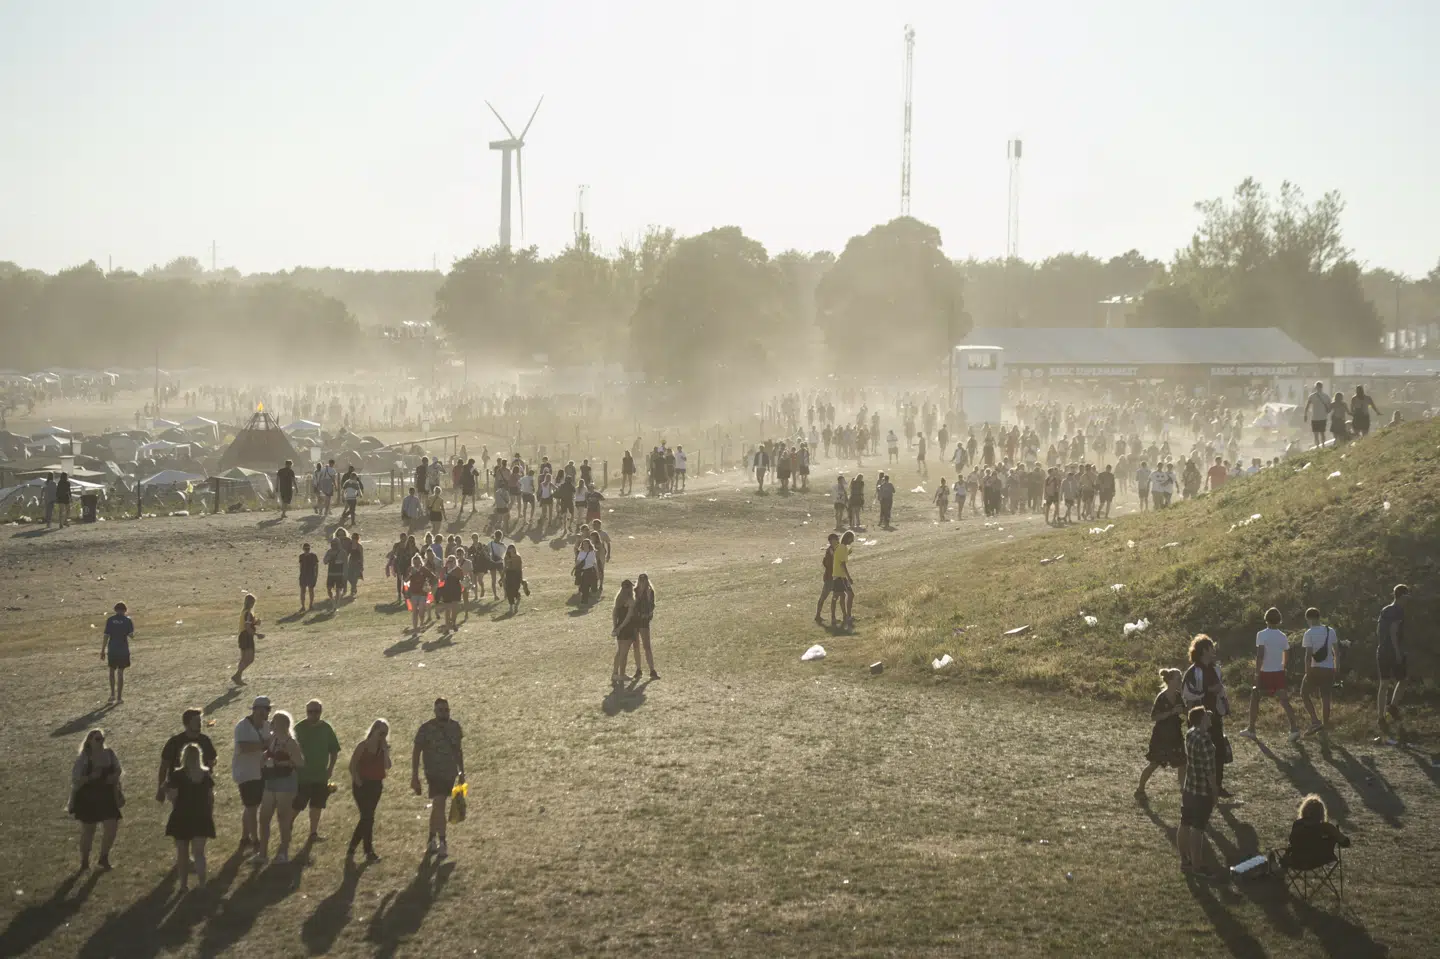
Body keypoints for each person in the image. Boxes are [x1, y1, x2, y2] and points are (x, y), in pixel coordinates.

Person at [411, 699, 465, 859]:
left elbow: (458, 751)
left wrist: (462, 773)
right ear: (435, 711)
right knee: (440, 803)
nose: (444, 713)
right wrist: (415, 776)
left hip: (450, 773)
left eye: (446, 710)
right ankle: (442, 841)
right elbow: (416, 751)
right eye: (440, 710)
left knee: (437, 806)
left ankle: (431, 839)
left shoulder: (455, 727)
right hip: (433, 773)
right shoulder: (426, 729)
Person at [1240, 607, 1302, 742]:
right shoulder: (1283, 636)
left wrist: (1257, 673)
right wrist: (1282, 666)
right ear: (1279, 620)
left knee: (1255, 696)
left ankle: (1251, 729)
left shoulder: (1261, 634)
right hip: (1278, 671)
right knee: (1284, 700)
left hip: (1265, 672)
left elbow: (1260, 655)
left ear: (1266, 619)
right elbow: (1286, 653)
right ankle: (1294, 729)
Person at [1182, 635, 1232, 799]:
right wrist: (1209, 690)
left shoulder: (1215, 669)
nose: (1214, 650)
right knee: (1200, 755)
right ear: (1204, 650)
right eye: (1211, 647)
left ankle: (1217, 786)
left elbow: (1220, 689)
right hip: (1199, 719)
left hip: (1214, 717)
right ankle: (1202, 788)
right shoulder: (1193, 672)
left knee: (1218, 751)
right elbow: (1188, 693)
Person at [165, 742, 216, 891]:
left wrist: (168, 793)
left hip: (182, 816)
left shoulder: (178, 775)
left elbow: (173, 796)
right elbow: (211, 797)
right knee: (199, 853)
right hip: (202, 816)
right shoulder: (205, 775)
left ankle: (183, 885)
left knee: (182, 854)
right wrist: (209, 813)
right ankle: (202, 884)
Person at [256, 708, 304, 864]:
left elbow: (300, 763)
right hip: (271, 780)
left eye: (274, 722)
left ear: (283, 725)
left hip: (286, 782)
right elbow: (267, 755)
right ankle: (262, 853)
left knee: (283, 818)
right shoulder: (273, 740)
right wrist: (265, 758)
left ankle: (283, 852)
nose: (271, 724)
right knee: (264, 817)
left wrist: (286, 762)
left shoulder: (291, 743)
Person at [71, 729, 123, 871]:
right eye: (97, 739)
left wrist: (114, 776)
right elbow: (75, 779)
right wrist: (90, 777)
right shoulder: (84, 758)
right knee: (89, 830)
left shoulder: (109, 754)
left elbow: (118, 769)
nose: (101, 742)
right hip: (88, 797)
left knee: (112, 827)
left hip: (107, 795)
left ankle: (103, 858)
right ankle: (84, 862)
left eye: (102, 739)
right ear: (89, 741)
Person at [293, 700, 341, 842]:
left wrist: (330, 768)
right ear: (306, 712)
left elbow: (334, 750)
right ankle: (286, 828)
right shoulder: (298, 729)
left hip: (321, 776)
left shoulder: (326, 728)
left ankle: (313, 833)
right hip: (302, 776)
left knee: (317, 806)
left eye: (316, 711)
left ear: (321, 712)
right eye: (310, 712)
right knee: (296, 806)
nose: (313, 715)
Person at [1178, 707, 1218, 877]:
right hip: (1202, 791)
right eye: (1206, 716)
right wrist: (1215, 792)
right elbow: (1210, 772)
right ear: (1202, 720)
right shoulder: (1206, 742)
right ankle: (1197, 865)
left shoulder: (1190, 734)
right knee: (1198, 828)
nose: (1209, 718)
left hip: (1189, 788)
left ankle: (1185, 861)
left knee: (1184, 823)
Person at [1136, 668, 1187, 799]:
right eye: (1178, 679)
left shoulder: (1178, 696)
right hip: (1161, 735)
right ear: (1170, 680)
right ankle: (1140, 789)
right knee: (1154, 763)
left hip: (1175, 734)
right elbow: (1154, 717)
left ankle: (1183, 789)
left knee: (1182, 763)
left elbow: (1185, 712)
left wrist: (1185, 711)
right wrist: (1171, 712)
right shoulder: (1162, 697)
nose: (1180, 681)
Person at [232, 696, 272, 853]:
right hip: (246, 773)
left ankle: (245, 838)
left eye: (268, 709)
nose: (267, 712)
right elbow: (244, 747)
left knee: (252, 807)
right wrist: (265, 744)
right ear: (255, 710)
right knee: (252, 808)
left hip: (262, 771)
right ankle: (255, 840)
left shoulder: (267, 725)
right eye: (265, 709)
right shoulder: (242, 726)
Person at [348, 719, 391, 863]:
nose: (383, 736)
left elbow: (388, 766)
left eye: (385, 734)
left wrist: (385, 751)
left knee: (367, 817)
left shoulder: (383, 748)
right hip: (362, 785)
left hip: (376, 785)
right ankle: (367, 851)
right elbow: (352, 765)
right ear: (374, 731)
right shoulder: (363, 746)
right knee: (368, 817)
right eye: (381, 733)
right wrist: (358, 781)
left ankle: (354, 848)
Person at [157, 708, 217, 803]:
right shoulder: (174, 742)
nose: (200, 724)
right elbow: (164, 767)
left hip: (200, 788)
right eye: (196, 721)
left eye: (200, 721)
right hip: (179, 789)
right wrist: (160, 789)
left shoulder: (205, 740)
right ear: (187, 724)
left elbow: (212, 761)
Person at [1376, 584, 1409, 744]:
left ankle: (1381, 716)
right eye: (1407, 596)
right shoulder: (1398, 611)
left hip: (1381, 650)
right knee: (1403, 680)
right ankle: (1393, 707)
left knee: (1383, 684)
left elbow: (1379, 630)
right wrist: (1397, 651)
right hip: (1391, 650)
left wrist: (1382, 645)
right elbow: (1393, 631)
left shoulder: (1385, 609)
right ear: (1402, 596)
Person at [1299, 607, 1338, 736]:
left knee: (1304, 693)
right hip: (1329, 668)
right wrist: (1336, 667)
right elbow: (1336, 652)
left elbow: (1308, 655)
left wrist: (1307, 671)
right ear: (1319, 617)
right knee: (1326, 697)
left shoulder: (1309, 633)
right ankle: (1325, 726)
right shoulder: (1330, 631)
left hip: (1315, 668)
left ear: (1308, 619)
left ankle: (1315, 721)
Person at [1285, 795, 1351, 870]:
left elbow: (1292, 842)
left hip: (1297, 862)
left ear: (1304, 810)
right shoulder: (1327, 827)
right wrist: (1335, 836)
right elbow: (1345, 843)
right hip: (1318, 861)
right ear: (1321, 812)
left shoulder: (1297, 824)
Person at [100, 601, 133, 704]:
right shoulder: (127, 621)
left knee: (111, 672)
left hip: (112, 649)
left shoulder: (110, 620)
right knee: (120, 673)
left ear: (115, 610)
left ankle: (112, 695)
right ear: (125, 610)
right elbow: (131, 635)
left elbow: (106, 636)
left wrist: (102, 650)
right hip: (123, 649)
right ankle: (119, 697)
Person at [611, 579, 640, 686]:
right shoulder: (630, 601)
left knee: (619, 652)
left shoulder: (618, 600)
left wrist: (616, 626)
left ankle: (615, 673)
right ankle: (622, 674)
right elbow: (628, 617)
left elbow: (614, 614)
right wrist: (620, 628)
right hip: (627, 629)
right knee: (624, 653)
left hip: (619, 627)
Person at [233, 594, 260, 685]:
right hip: (246, 637)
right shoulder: (248, 613)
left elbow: (248, 623)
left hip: (242, 636)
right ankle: (237, 675)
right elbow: (247, 627)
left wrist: (255, 622)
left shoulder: (244, 612)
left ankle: (238, 678)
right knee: (250, 659)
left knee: (244, 659)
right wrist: (257, 635)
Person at [833, 530, 856, 631]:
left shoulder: (841, 547)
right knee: (850, 594)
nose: (853, 541)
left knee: (842, 596)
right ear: (848, 538)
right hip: (840, 576)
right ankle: (848, 616)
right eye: (852, 539)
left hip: (838, 575)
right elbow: (843, 564)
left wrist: (848, 552)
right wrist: (849, 577)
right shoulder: (842, 548)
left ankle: (845, 616)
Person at [1303, 381, 1330, 448]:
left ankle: (1318, 446)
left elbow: (1307, 406)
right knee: (1322, 433)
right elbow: (1329, 407)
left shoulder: (1312, 396)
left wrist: (1305, 415)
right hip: (1323, 417)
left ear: (1315, 387)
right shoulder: (1326, 396)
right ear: (1322, 387)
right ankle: (1323, 445)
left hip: (1315, 418)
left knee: (1316, 434)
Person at [298, 543, 319, 610]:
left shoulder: (313, 556)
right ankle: (303, 606)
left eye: (308, 549)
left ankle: (310, 605)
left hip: (311, 575)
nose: (307, 550)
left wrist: (316, 576)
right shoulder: (301, 556)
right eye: (306, 549)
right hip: (304, 576)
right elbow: (301, 566)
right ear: (303, 549)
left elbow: (316, 567)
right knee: (303, 591)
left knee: (311, 590)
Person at [345, 532, 365, 597]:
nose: (354, 539)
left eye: (355, 538)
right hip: (350, 562)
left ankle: (352, 589)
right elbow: (347, 554)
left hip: (357, 563)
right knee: (348, 576)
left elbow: (361, 556)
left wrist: (362, 565)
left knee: (355, 577)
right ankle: (354, 587)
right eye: (353, 538)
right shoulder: (350, 545)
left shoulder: (359, 546)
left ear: (358, 539)